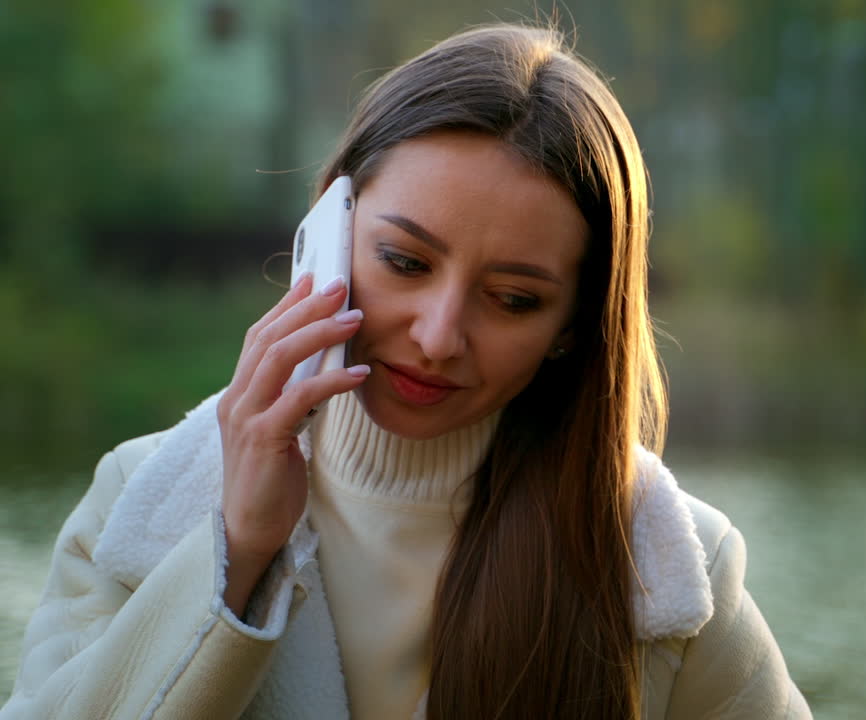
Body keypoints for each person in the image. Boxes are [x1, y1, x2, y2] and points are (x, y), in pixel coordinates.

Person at [0, 24, 811, 720]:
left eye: (514, 299)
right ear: (328, 227)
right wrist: (236, 553)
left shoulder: (666, 566)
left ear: (572, 327)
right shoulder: (141, 500)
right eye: (404, 260)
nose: (438, 335)